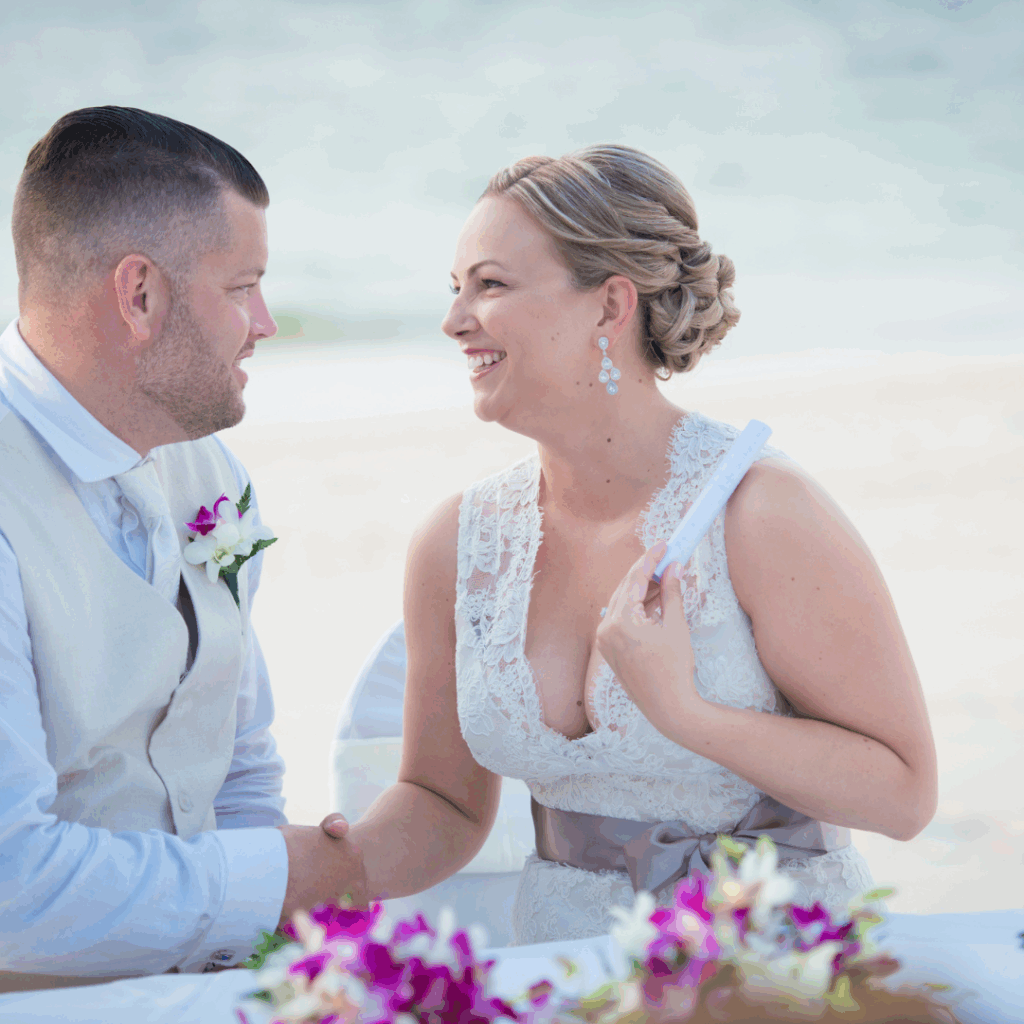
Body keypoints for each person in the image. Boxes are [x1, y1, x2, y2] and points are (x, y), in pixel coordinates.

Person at [322, 145, 939, 945]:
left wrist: (684, 711)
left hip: (776, 969)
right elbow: (441, 803)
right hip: (561, 968)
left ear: (611, 306)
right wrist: (315, 870)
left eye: (491, 284)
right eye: (455, 290)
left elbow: (903, 795)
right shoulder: (458, 542)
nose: (454, 320)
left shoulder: (761, 512)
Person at [0, 106, 357, 991]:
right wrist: (279, 877)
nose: (265, 322)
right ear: (140, 294)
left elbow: (237, 753)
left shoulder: (210, 466)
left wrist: (255, 958)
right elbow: (9, 885)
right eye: (241, 287)